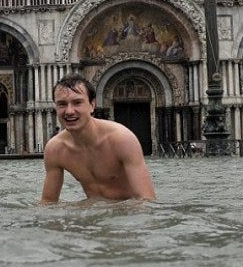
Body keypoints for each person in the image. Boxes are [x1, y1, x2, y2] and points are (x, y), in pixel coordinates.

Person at [40, 74, 156, 204]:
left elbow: (146, 201)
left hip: (127, 216)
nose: (69, 111)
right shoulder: (55, 149)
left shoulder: (122, 139)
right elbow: (48, 203)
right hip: (91, 214)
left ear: (92, 105)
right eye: (62, 104)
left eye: (77, 102)